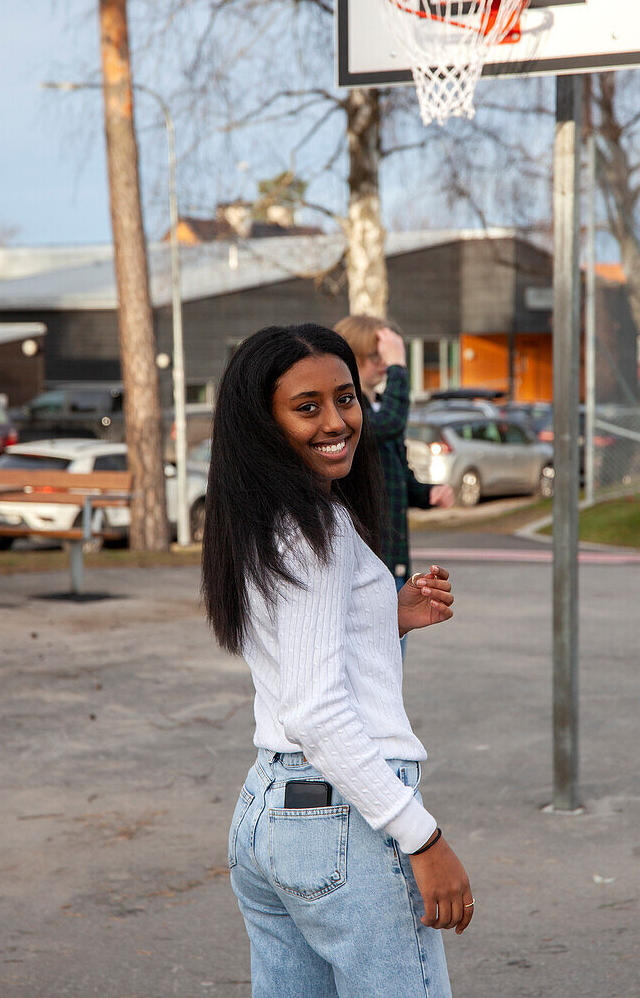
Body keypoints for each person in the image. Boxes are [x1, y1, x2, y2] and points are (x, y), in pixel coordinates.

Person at [202, 324, 473, 997]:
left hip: (270, 812)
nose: (336, 422)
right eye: (306, 407)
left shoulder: (266, 519)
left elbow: (295, 654)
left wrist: (385, 617)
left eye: (345, 398)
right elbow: (317, 711)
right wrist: (421, 838)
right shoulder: (312, 530)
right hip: (346, 822)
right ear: (262, 421)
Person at [334, 315, 454, 591]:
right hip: (363, 570)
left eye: (386, 357)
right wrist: (399, 367)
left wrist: (428, 493)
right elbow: (387, 426)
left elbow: (398, 478)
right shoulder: (346, 414)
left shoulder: (382, 408)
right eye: (376, 355)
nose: (384, 364)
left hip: (395, 566)